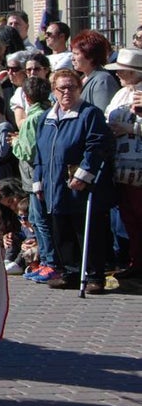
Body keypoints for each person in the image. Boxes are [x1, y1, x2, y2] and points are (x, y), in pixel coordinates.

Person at [31, 68, 114, 293]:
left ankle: (94, 275)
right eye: (62, 88)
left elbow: (96, 146)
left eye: (72, 87)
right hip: (53, 183)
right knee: (61, 229)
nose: (67, 92)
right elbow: (38, 152)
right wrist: (37, 181)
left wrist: (84, 173)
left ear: (79, 89)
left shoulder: (89, 114)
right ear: (53, 91)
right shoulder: (45, 119)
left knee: (85, 229)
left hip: (78, 183)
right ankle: (69, 271)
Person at [12, 75, 58, 283]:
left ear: (27, 98)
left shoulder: (32, 119)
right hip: (45, 175)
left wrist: (15, 143)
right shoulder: (50, 111)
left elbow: (29, 151)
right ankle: (47, 261)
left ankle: (48, 262)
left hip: (33, 176)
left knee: (40, 221)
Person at [103, 48, 142, 280]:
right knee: (129, 217)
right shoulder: (120, 94)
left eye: (122, 71)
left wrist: (131, 129)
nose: (118, 75)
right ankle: (135, 261)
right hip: (121, 165)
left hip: (140, 166)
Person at [70, 29, 117, 111]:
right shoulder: (83, 78)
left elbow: (102, 114)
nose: (72, 58)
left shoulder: (102, 80)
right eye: (72, 53)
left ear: (91, 56)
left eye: (76, 54)